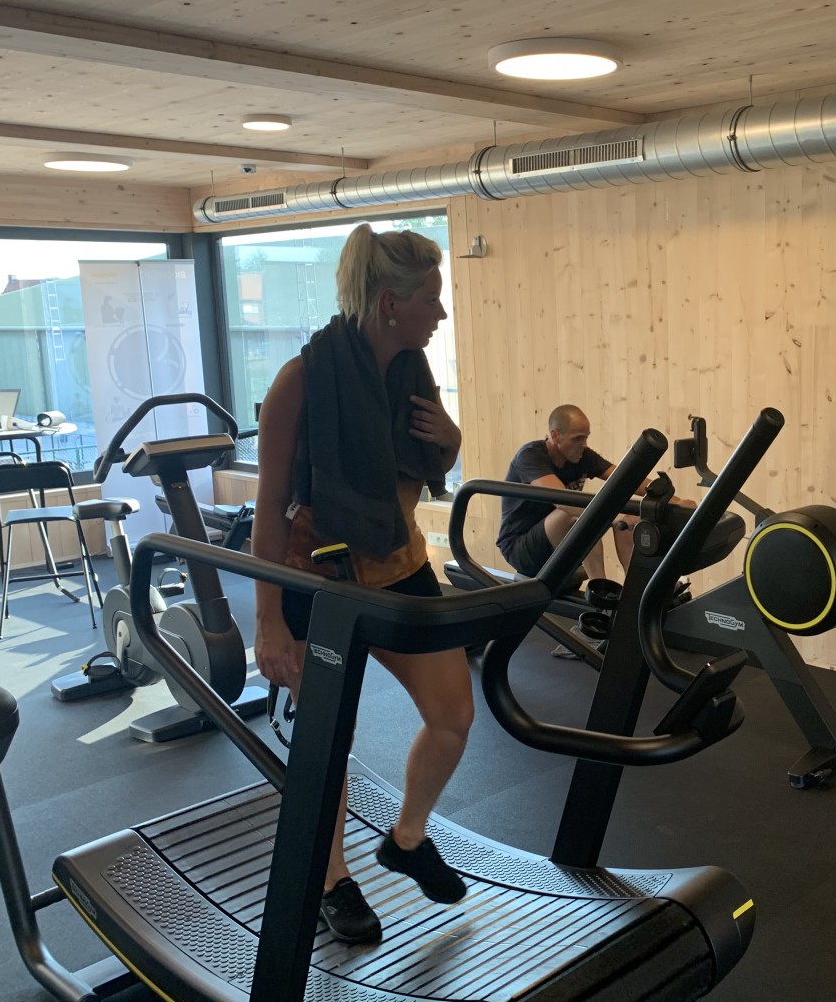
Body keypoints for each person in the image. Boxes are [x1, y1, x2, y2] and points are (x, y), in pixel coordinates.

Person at [253, 224, 471, 944]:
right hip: (318, 581)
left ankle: (406, 839)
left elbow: (422, 463)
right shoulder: (301, 380)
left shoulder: (411, 375)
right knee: (329, 737)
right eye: (430, 299)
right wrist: (269, 620)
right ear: (390, 304)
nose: (440, 312)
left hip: (400, 567)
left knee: (454, 715)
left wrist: (453, 442)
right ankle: (331, 879)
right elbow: (269, 505)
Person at [499, 405, 669, 581]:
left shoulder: (582, 456)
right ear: (555, 435)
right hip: (521, 549)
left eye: (586, 437)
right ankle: (600, 587)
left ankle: (638, 587)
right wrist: (614, 515)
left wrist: (674, 500)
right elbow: (563, 502)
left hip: (561, 541)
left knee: (627, 514)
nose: (584, 445)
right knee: (575, 513)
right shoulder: (530, 456)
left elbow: (625, 479)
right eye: (578, 439)